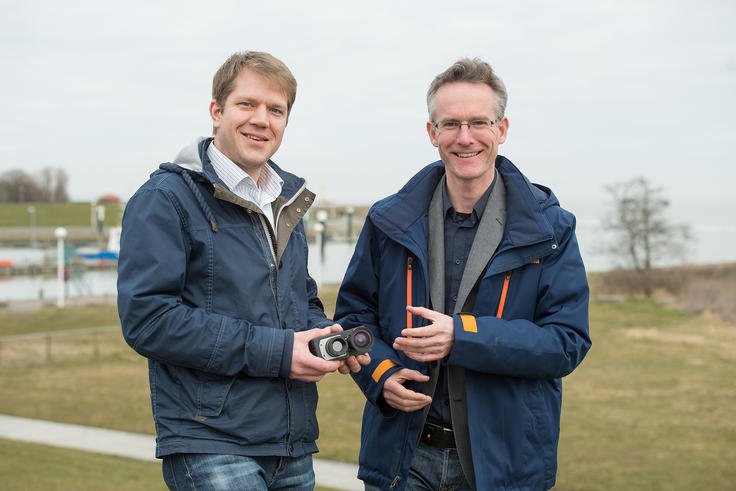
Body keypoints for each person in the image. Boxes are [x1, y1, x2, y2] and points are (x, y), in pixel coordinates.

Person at [334, 58, 591, 490]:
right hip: (401, 458)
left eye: (478, 122)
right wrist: (380, 374)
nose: (464, 137)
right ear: (432, 132)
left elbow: (566, 344)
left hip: (503, 467)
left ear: (502, 129)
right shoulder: (386, 220)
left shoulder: (553, 229)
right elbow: (355, 318)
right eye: (450, 123)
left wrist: (462, 336)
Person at [117, 50, 368, 491]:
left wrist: (321, 336)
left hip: (291, 444)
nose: (261, 120)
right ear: (217, 112)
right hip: (211, 441)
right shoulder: (167, 198)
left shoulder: (286, 200)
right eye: (247, 104)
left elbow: (300, 299)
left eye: (276, 109)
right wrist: (281, 351)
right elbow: (149, 320)